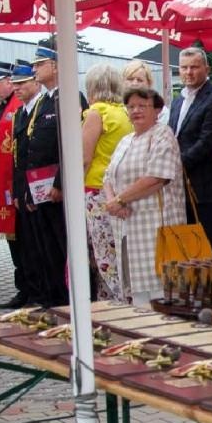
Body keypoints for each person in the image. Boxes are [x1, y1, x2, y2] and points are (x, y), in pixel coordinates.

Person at [103, 87, 187, 306]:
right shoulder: (126, 140)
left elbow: (157, 177)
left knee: (159, 293)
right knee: (136, 292)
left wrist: (120, 200)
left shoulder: (162, 134)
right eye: (131, 106)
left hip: (156, 228)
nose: (136, 110)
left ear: (157, 110)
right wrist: (113, 201)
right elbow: (107, 176)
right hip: (127, 227)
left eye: (142, 106)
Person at [21, 43, 86, 307]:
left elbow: (72, 143)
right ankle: (53, 299)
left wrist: (61, 182)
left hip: (60, 188)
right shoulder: (45, 100)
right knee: (46, 247)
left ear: (56, 65)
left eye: (39, 64)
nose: (34, 69)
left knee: (63, 246)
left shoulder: (71, 96)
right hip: (40, 187)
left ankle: (71, 301)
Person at [169, 46, 212, 259]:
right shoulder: (178, 100)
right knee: (190, 250)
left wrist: (172, 166)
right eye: (184, 68)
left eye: (194, 67)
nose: (188, 72)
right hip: (181, 190)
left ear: (207, 69)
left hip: (207, 190)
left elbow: (207, 144)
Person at [0, 60, 29, 309]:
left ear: (8, 82)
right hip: (5, 186)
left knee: (24, 242)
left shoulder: (16, 107)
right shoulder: (3, 108)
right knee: (16, 244)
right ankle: (23, 286)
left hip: (17, 187)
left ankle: (28, 288)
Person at [82, 64, 129, 302]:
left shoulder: (95, 113)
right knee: (115, 249)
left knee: (103, 253)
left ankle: (118, 299)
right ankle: (107, 300)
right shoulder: (124, 112)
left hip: (95, 189)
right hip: (118, 189)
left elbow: (84, 157)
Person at [7, 65, 42, 306]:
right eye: (15, 84)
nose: (18, 88)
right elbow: (17, 157)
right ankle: (32, 290)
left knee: (43, 245)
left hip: (43, 186)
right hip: (25, 187)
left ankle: (45, 292)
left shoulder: (44, 107)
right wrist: (19, 191)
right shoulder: (20, 113)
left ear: (36, 82)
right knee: (28, 244)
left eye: (23, 83)